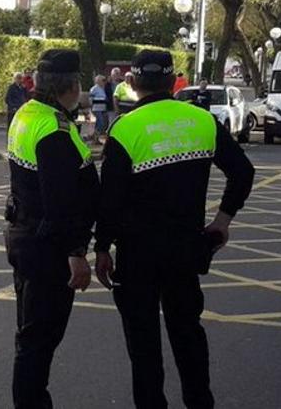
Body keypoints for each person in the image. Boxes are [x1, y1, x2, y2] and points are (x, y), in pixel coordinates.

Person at [95, 50, 255, 409]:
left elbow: (111, 200)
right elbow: (243, 172)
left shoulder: (126, 128)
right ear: (174, 82)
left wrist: (101, 247)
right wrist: (223, 220)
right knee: (188, 335)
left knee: (144, 344)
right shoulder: (201, 120)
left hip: (137, 255)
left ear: (132, 84)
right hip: (186, 249)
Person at [4, 49, 98, 408]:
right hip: (47, 249)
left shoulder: (27, 114)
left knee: (31, 335)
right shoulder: (54, 130)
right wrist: (77, 253)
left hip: (26, 237)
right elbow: (60, 201)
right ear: (70, 86)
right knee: (39, 340)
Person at [90, 75, 110, 143]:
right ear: (98, 81)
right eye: (102, 80)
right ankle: (95, 138)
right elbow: (90, 99)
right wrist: (91, 108)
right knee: (100, 123)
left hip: (103, 108)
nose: (104, 81)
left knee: (101, 123)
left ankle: (95, 138)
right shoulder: (94, 89)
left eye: (104, 80)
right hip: (96, 108)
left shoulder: (103, 88)